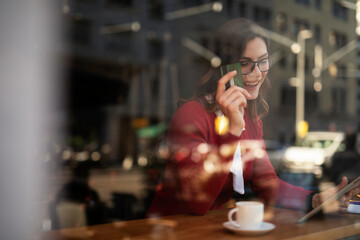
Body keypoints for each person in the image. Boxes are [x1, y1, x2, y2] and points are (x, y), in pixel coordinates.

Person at [147, 18, 359, 217]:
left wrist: (314, 199)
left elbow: (266, 182)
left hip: (212, 228)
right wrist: (232, 131)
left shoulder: (250, 119)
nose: (257, 73)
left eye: (263, 61)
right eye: (246, 63)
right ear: (224, 67)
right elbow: (196, 201)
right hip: (171, 229)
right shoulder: (192, 115)